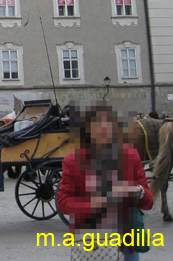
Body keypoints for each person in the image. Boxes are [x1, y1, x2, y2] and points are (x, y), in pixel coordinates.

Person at [57, 101, 153, 261]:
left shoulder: (131, 156)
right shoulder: (72, 161)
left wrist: (139, 192)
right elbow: (63, 202)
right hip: (90, 241)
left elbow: (148, 203)